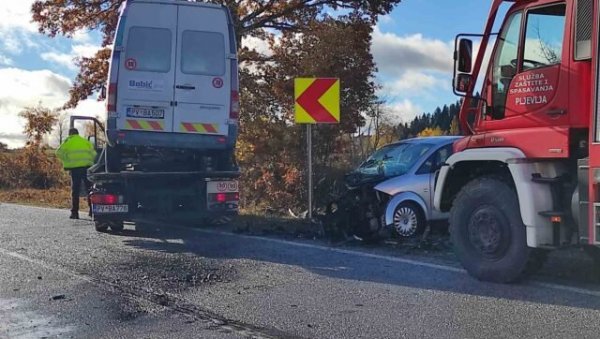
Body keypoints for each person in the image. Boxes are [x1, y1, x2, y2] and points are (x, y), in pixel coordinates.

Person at [56, 128, 97, 219]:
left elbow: (58, 152)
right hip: (87, 168)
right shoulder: (85, 141)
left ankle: (75, 213)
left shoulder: (68, 141)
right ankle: (92, 211)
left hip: (75, 169)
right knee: (90, 189)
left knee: (75, 191)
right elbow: (94, 154)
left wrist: (67, 160)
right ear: (78, 133)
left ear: (70, 134)